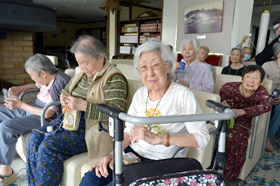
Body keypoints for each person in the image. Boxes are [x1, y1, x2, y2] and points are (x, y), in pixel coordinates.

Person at [79, 41, 210, 186]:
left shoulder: (183, 95)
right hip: (132, 155)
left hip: (163, 162)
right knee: (90, 179)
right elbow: (128, 133)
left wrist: (159, 138)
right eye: (144, 67)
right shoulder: (141, 93)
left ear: (168, 66)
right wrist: (112, 155)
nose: (150, 72)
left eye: (155, 65)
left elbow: (202, 138)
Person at [26, 35, 128, 186]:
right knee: (33, 138)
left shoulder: (114, 78)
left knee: (49, 146)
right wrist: (63, 97)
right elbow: (66, 89)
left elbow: (116, 112)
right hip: (68, 122)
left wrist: (84, 106)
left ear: (100, 57)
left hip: (91, 131)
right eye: (79, 63)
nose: (82, 67)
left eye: (85, 62)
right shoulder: (81, 74)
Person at [0, 53, 70, 185]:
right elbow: (38, 85)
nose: (32, 78)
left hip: (44, 117)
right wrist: (22, 88)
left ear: (43, 73)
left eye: (32, 75)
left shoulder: (60, 83)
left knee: (7, 126)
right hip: (33, 108)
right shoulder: (48, 76)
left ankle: (6, 173)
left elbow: (48, 114)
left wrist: (20, 105)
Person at [220, 65, 271, 181]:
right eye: (248, 76)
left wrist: (242, 111)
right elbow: (223, 99)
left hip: (244, 122)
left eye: (256, 78)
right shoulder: (229, 87)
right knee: (214, 133)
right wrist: (226, 104)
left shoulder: (261, 92)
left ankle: (228, 175)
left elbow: (266, 106)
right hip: (225, 118)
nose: (251, 81)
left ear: (261, 81)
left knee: (233, 136)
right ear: (242, 78)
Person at [262, 42, 280, 152]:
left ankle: (268, 137)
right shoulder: (266, 66)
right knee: (266, 105)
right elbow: (261, 83)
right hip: (268, 92)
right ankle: (260, 134)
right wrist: (267, 96)